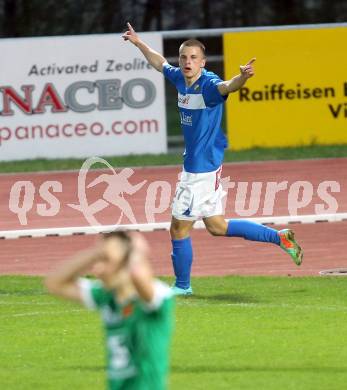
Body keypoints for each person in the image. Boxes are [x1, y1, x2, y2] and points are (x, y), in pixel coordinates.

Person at [122, 23, 303, 295]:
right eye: (183, 57)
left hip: (199, 171)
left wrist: (243, 78)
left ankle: (182, 287)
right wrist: (138, 43)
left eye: (193, 58)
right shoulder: (180, 78)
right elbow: (160, 63)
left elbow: (227, 86)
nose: (187, 61)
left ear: (202, 62)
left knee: (178, 228)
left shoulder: (207, 86)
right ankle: (279, 237)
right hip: (207, 166)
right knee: (218, 226)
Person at [45, 231, 174, 390]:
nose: (97, 269)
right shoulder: (106, 295)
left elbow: (139, 278)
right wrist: (95, 253)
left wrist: (135, 254)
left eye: (106, 260)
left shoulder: (156, 296)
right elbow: (54, 283)